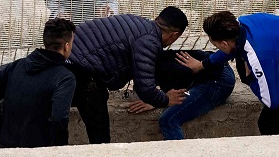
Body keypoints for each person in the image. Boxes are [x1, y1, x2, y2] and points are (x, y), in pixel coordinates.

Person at [190, 10, 279, 135]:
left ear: (224, 44)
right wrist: (203, 65)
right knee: (244, 67)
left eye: (216, 45)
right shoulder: (240, 24)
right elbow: (231, 49)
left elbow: (272, 102)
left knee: (267, 120)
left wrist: (251, 78)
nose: (216, 48)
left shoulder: (258, 57)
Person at [66, 8, 191, 144]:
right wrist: (166, 99)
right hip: (78, 69)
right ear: (174, 35)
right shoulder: (149, 41)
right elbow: (145, 87)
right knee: (98, 124)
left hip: (65, 57)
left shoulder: (138, 22)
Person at [0, 18, 79, 148]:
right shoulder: (65, 78)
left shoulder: (16, 67)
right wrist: (58, 151)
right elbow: (58, 119)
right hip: (41, 154)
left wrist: (2, 128)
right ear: (67, 46)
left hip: (9, 148)